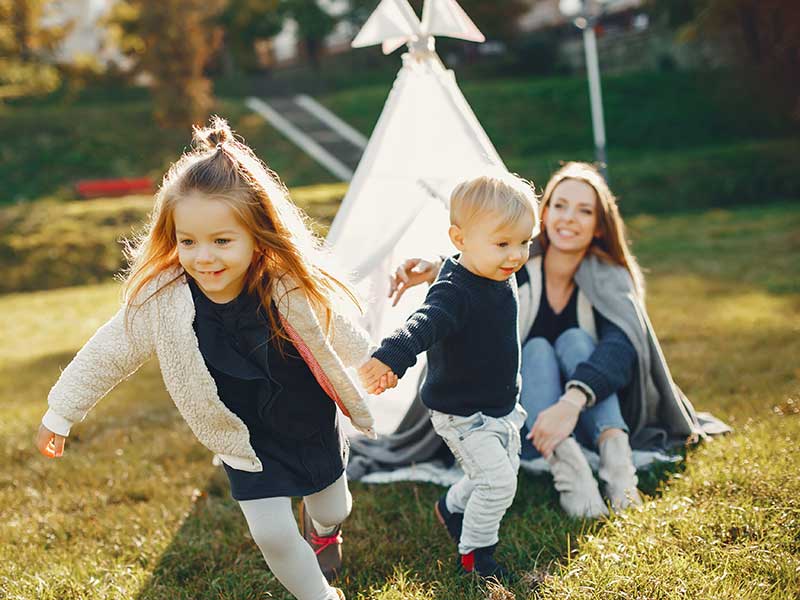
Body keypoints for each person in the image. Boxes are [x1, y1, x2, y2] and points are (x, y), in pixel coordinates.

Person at [35, 117, 395, 600]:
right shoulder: (161, 303)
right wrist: (62, 410)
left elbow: (332, 327)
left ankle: (325, 529)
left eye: (222, 241)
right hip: (243, 439)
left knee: (335, 507)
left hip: (308, 421)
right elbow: (109, 350)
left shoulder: (283, 285)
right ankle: (321, 596)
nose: (204, 256)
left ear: (256, 236)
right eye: (188, 241)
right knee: (270, 531)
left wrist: (372, 360)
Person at [355, 162, 705, 520]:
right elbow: (474, 268)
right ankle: (573, 476)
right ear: (544, 213)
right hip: (527, 423)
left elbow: (620, 349)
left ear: (600, 225)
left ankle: (619, 472)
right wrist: (437, 264)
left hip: (585, 414)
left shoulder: (610, 277)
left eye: (584, 210)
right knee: (535, 349)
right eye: (560, 205)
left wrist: (570, 403)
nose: (569, 218)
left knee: (576, 340)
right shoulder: (517, 260)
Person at [358, 172, 539, 579]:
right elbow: (427, 320)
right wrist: (391, 356)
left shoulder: (489, 270)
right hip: (462, 414)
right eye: (503, 244)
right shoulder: (454, 291)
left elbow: (460, 266)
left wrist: (436, 262)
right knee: (498, 484)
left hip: (501, 407)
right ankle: (477, 556)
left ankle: (450, 507)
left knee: (497, 475)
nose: (515, 256)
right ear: (461, 239)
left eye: (524, 242)